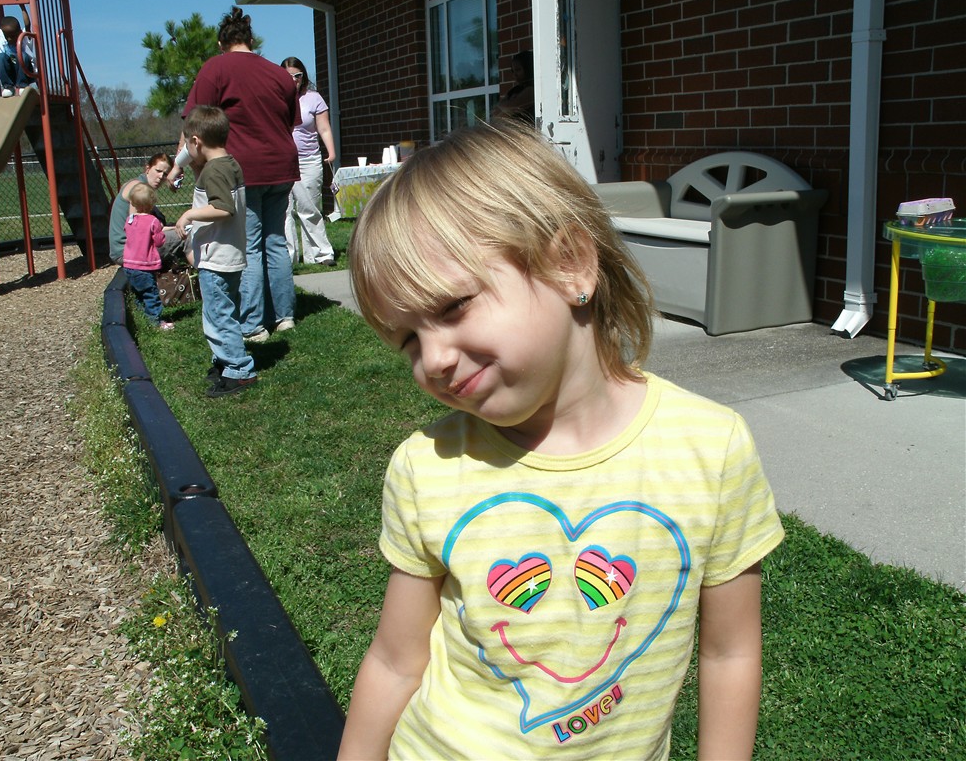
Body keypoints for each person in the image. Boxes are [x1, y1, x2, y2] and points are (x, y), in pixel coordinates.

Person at [337, 123, 784, 760]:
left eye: (453, 307)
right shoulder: (427, 467)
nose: (432, 359)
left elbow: (729, 652)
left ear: (569, 263)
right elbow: (394, 660)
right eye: (408, 339)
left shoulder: (710, 452)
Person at [175, 7, 300, 344]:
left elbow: (194, 125)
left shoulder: (215, 69)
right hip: (282, 165)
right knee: (276, 241)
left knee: (250, 245)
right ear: (250, 41)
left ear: (221, 43)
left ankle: (253, 324)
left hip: (246, 170)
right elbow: (290, 121)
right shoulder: (279, 75)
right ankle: (285, 316)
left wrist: (179, 165)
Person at [174, 105, 255, 398]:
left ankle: (239, 370)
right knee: (223, 313)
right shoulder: (227, 163)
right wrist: (179, 164)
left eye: (186, 144)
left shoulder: (214, 170)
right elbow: (193, 155)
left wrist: (188, 214)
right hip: (227, 254)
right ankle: (224, 361)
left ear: (196, 141)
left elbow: (223, 208)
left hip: (217, 257)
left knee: (219, 317)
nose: (184, 150)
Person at [281, 56, 336, 267]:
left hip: (308, 160)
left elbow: (324, 128)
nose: (294, 80)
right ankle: (288, 257)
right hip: (283, 161)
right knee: (284, 210)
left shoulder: (313, 98)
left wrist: (331, 153)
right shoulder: (276, 98)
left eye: (297, 75)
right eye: (288, 76)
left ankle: (320, 254)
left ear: (303, 76)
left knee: (309, 207)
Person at [108, 153, 182, 265]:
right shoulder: (139, 190)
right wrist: (176, 229)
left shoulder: (134, 183)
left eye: (165, 174)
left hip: (125, 249)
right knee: (186, 237)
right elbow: (138, 229)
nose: (161, 176)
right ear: (147, 169)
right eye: (158, 171)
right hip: (127, 252)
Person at [122, 182, 173, 331]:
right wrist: (160, 232)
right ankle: (155, 322)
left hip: (129, 265)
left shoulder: (130, 219)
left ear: (133, 203)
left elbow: (128, 233)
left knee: (139, 293)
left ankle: (142, 317)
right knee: (151, 294)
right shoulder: (153, 221)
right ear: (151, 204)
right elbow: (159, 242)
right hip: (144, 265)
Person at [0, 4, 36, 98]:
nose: (9, 39)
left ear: (19, 32)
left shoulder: (24, 36)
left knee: (23, 56)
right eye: (7, 36)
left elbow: (27, 24)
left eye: (13, 36)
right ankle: (8, 87)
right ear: (2, 32)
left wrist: (22, 6)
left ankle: (22, 85)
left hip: (26, 72)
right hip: (10, 72)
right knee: (0, 57)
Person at [491, 50, 534, 124]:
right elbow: (496, 112)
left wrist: (507, 106)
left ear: (528, 69)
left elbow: (509, 108)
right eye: (513, 71)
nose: (515, 74)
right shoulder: (515, 89)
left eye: (518, 70)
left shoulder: (533, 90)